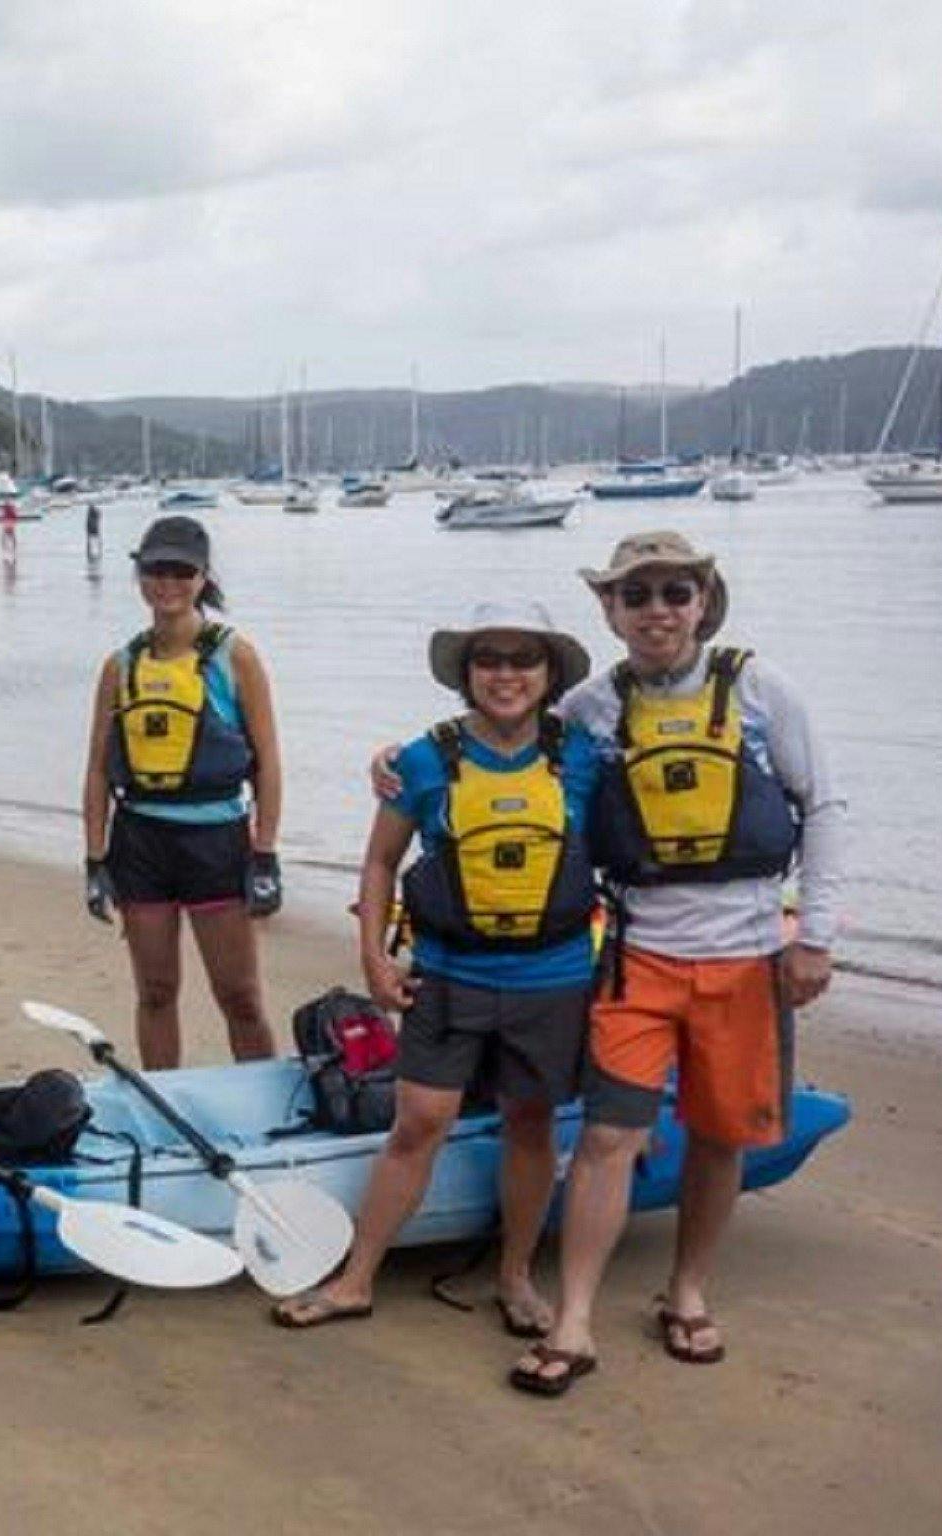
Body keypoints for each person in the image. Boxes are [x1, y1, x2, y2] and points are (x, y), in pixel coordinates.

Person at [509, 532, 843, 1396]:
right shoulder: (590, 706)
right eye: (638, 595)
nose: (658, 609)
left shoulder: (763, 691)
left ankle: (686, 1291)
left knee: (721, 1137)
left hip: (747, 960)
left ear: (703, 602)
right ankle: (575, 1318)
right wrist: (401, 763)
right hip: (639, 960)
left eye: (675, 592)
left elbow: (826, 807)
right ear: (610, 611)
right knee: (611, 1135)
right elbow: (502, 743)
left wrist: (819, 937)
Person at [274, 600, 599, 1333]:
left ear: (549, 673)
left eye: (524, 659)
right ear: (465, 673)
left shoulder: (583, 752)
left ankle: (515, 1278)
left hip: (553, 975)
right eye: (490, 659)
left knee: (530, 1122)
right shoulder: (423, 760)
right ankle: (357, 1278)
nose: (506, 674)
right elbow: (382, 860)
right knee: (420, 1119)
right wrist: (373, 957)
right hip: (451, 972)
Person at [79, 515, 282, 1069]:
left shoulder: (232, 656)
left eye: (181, 571)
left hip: (216, 841)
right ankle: (167, 1106)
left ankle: (266, 1105)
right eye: (155, 570)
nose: (167, 583)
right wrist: (96, 859)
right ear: (140, 575)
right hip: (141, 842)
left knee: (239, 997)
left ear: (202, 577)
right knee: (156, 991)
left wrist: (264, 854)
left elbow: (267, 762)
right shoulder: (120, 665)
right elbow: (98, 768)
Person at [85, 500, 103, 564]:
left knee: (93, 539)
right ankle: (95, 549)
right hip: (92, 527)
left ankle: (98, 548)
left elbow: (98, 517)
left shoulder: (93, 512)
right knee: (92, 540)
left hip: (93, 527)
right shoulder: (92, 513)